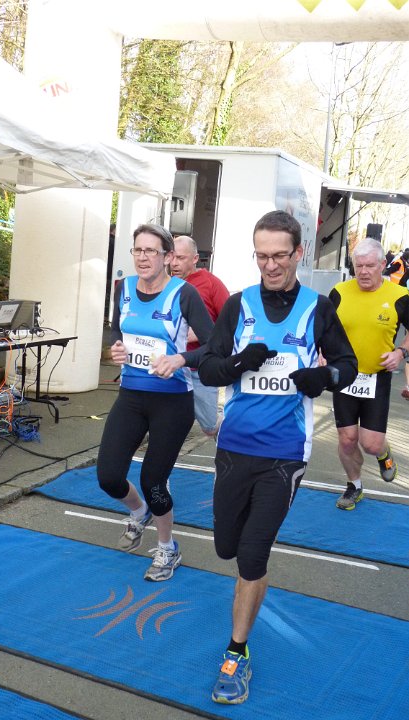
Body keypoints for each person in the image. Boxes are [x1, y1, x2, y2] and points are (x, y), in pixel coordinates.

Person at [198, 210, 357, 705]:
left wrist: (323, 378)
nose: (270, 265)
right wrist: (238, 363)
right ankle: (244, 597)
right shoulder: (239, 305)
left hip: (285, 454)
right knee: (226, 547)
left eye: (280, 256)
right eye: (262, 255)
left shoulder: (318, 309)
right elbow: (208, 368)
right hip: (233, 447)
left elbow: (348, 365)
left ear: (299, 253)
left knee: (251, 555)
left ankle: (236, 652)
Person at [96, 223, 213, 582]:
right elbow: (117, 329)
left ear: (167, 257)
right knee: (108, 477)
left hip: (172, 402)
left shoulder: (184, 294)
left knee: (153, 481)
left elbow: (215, 346)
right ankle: (139, 511)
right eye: (138, 250)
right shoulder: (124, 288)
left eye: (151, 251)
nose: (143, 257)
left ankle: (167, 547)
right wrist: (116, 347)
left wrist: (181, 359)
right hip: (131, 396)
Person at [329, 238, 409, 510]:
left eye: (370, 266)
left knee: (371, 444)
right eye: (358, 266)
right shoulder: (339, 292)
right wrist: (321, 352)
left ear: (383, 265)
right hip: (345, 376)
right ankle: (354, 486)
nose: (363, 272)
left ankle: (383, 453)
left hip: (377, 378)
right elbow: (322, 327)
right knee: (347, 439)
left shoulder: (399, 296)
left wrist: (401, 352)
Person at [170, 235, 229, 436]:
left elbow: (231, 323)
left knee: (210, 426)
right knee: (166, 422)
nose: (174, 263)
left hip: (199, 368)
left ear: (195, 259)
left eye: (181, 258)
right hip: (170, 366)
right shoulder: (165, 283)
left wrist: (204, 332)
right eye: (172, 257)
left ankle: (234, 444)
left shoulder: (212, 284)